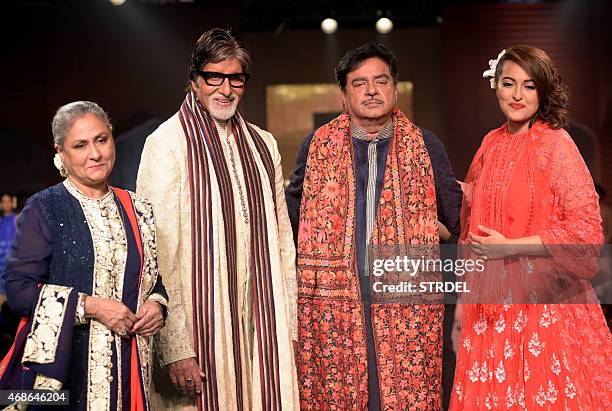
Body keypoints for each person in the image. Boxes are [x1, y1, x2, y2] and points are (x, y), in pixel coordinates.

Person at [285, 42, 462, 410]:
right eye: (359, 83)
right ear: (343, 94)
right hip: (332, 300)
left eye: (380, 81)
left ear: (395, 89)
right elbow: (292, 214)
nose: (370, 91)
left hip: (407, 301)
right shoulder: (317, 145)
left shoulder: (426, 145)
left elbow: (457, 219)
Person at [136, 28, 299, 410]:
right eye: (214, 77)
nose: (225, 89)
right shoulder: (167, 144)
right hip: (200, 331)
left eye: (235, 78)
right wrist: (174, 347)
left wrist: (287, 327)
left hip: (262, 326)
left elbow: (282, 244)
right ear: (194, 80)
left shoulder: (263, 144)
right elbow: (155, 252)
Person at [450, 46, 612, 409]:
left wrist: (509, 247)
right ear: (495, 86)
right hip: (492, 306)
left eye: (529, 86)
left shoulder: (556, 145)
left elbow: (585, 232)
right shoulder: (490, 144)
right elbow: (475, 205)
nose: (518, 95)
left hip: (547, 305)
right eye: (509, 84)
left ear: (542, 91)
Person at [0, 101, 168, 410]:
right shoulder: (44, 208)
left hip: (132, 370)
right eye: (80, 145)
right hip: (65, 375)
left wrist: (157, 305)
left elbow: (152, 279)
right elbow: (18, 291)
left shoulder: (139, 209)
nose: (95, 154)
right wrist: (92, 306)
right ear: (61, 153)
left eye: (101, 140)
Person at [0, 193, 16, 299]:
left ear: (12, 203)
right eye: (3, 202)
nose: (6, 204)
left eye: (8, 201)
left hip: (14, 264)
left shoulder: (18, 220)